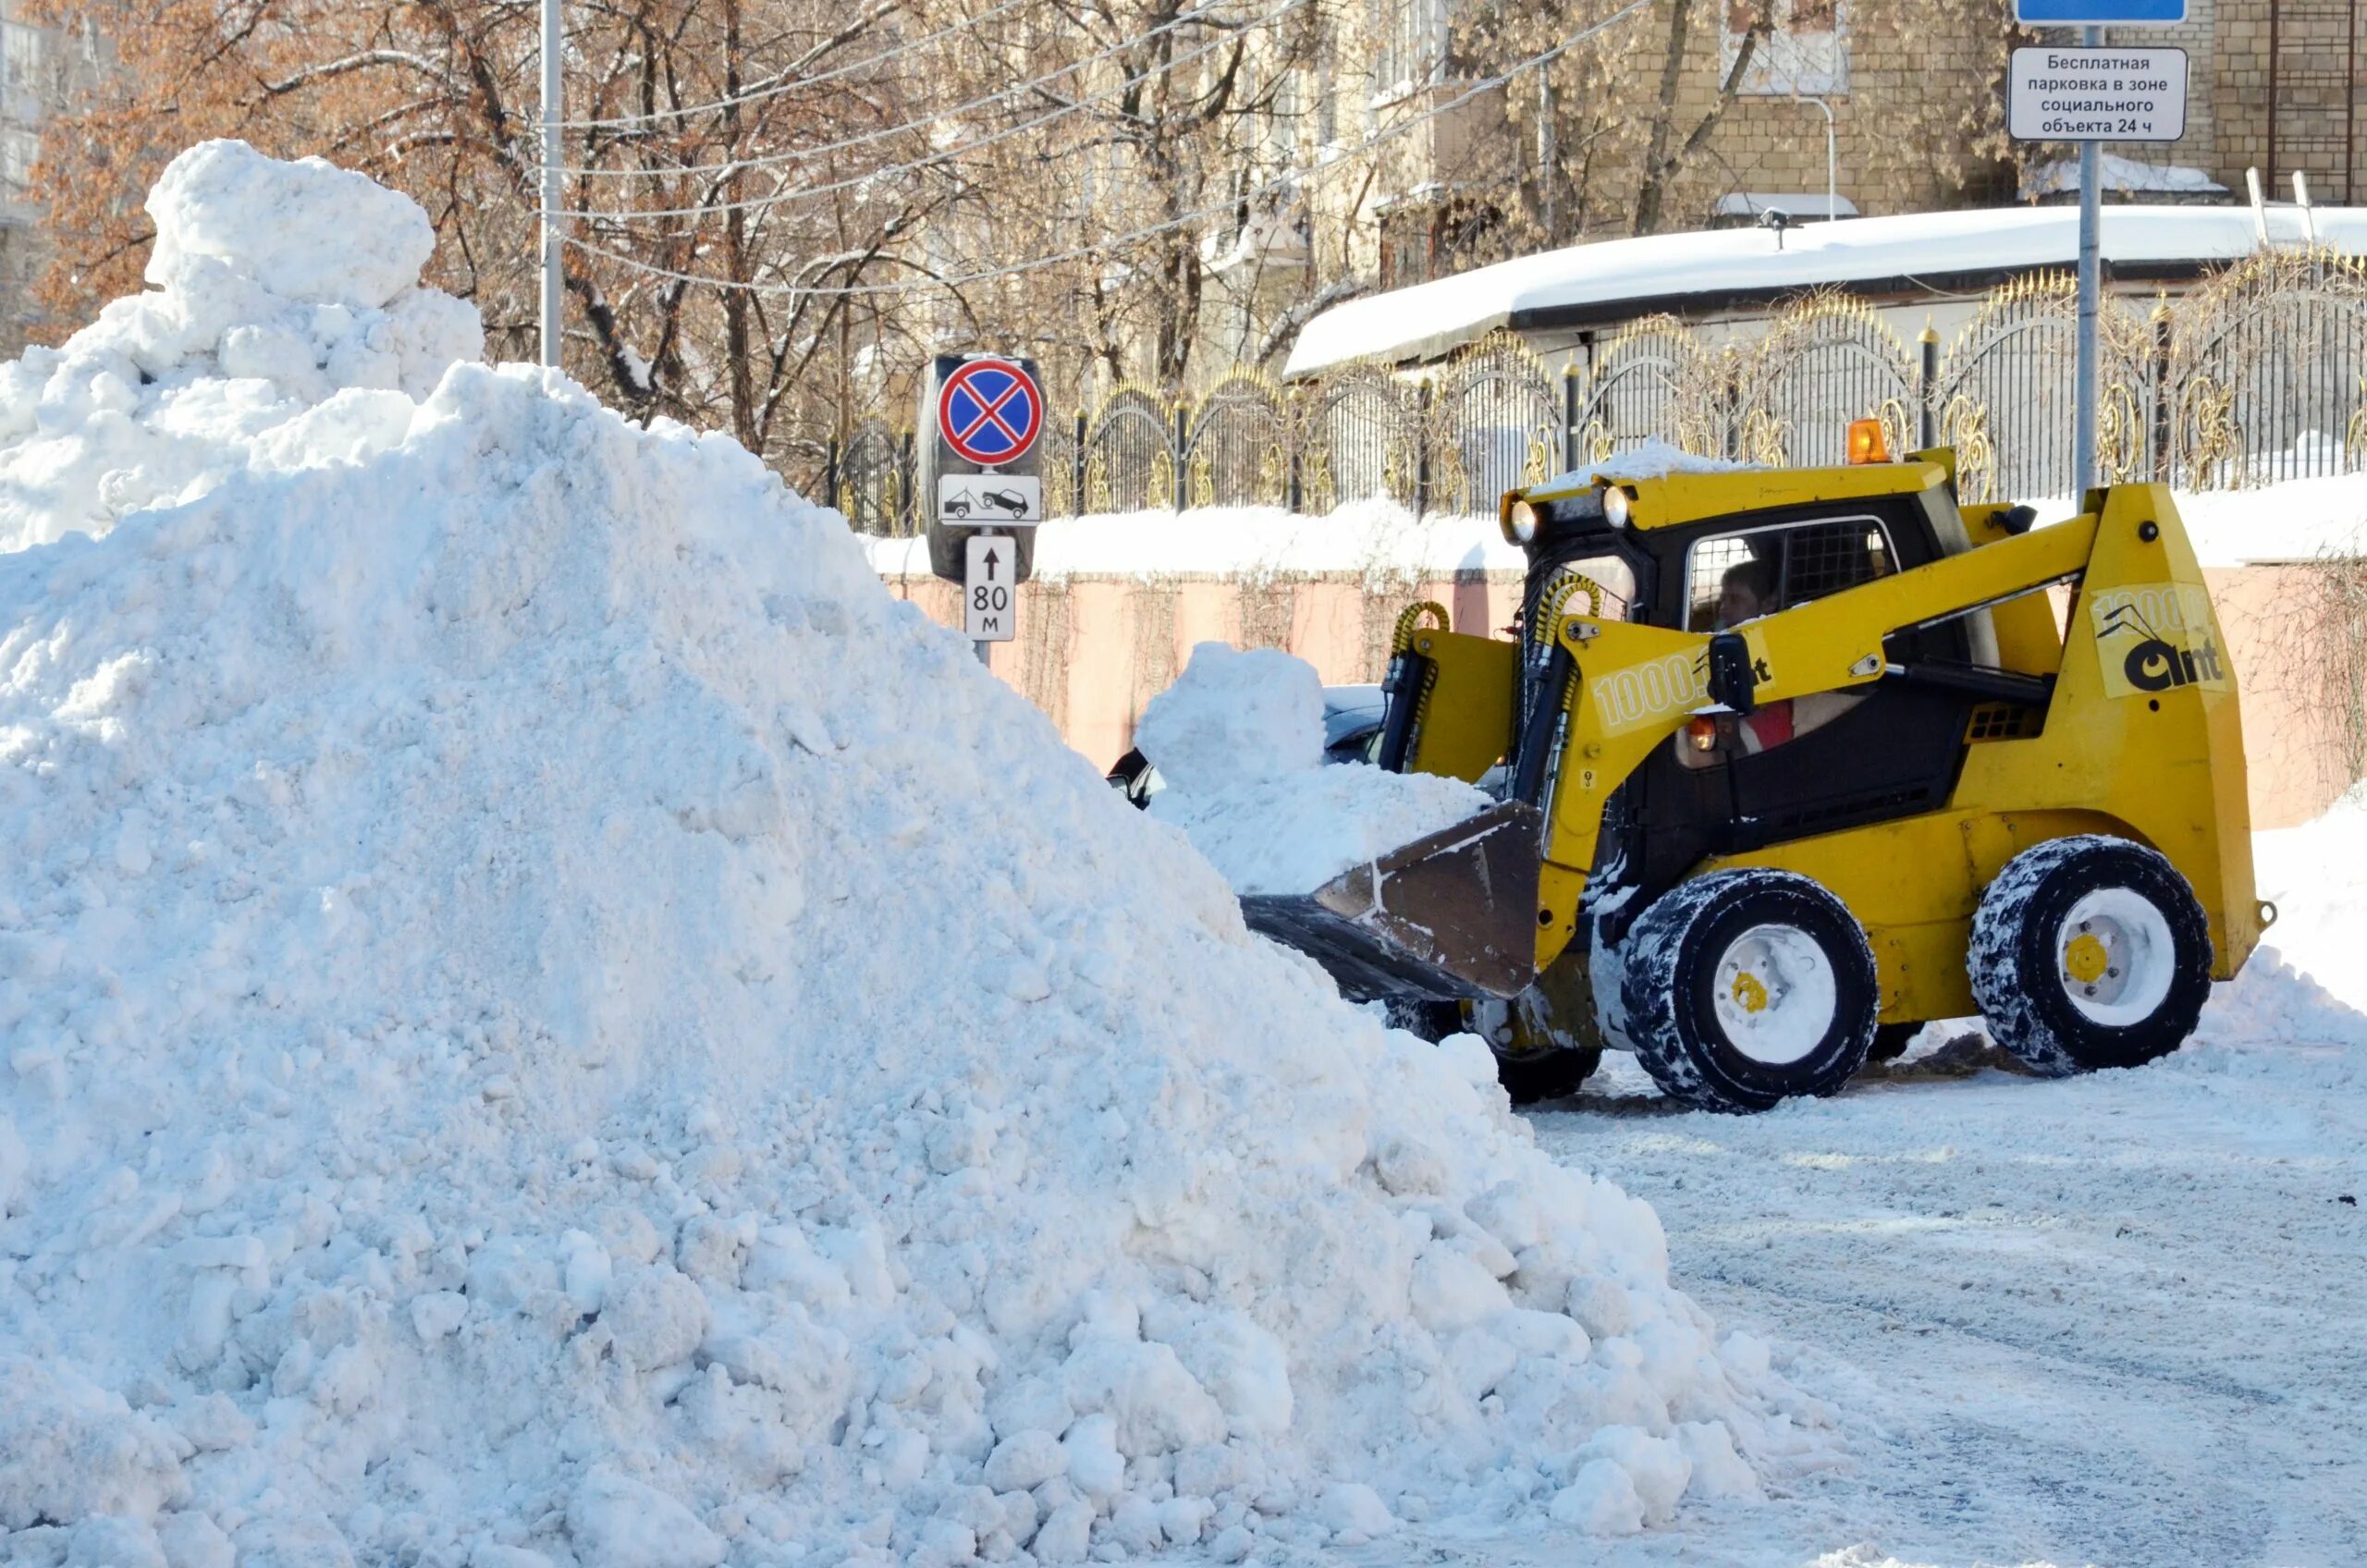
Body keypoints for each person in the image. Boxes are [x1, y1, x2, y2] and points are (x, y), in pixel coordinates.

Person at [1677, 556, 1860, 766]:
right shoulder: (1718, 635)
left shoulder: (1787, 642)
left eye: (1735, 600)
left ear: (1768, 604)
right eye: (1723, 599)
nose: (1723, 609)